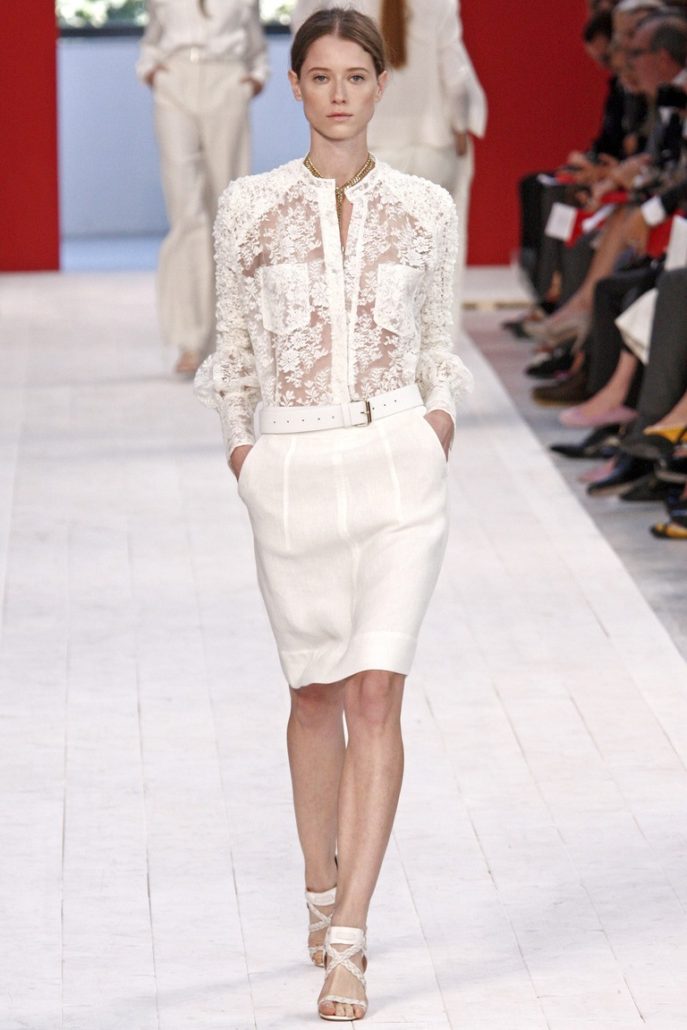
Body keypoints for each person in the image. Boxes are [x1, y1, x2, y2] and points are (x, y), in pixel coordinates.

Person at [194, 8, 472, 1019]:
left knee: (375, 696)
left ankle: (348, 937)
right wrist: (247, 452)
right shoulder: (250, 207)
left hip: (398, 462)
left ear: (381, 84)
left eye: (357, 75)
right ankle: (320, 882)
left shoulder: (427, 209)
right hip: (294, 468)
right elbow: (234, 348)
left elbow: (440, 338)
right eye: (321, 76)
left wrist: (435, 424)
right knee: (314, 697)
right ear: (296, 85)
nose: (340, 93)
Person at [292, 0, 487, 312]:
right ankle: (437, 336)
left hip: (365, 150)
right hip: (432, 145)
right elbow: (456, 79)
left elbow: (304, 39)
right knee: (438, 262)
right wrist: (460, 125)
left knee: (363, 266)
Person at [137, 0, 268, 376]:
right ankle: (190, 339)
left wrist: (255, 77)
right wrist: (151, 70)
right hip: (174, 81)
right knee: (187, 214)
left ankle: (231, 335)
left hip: (227, 79)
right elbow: (153, 35)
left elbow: (256, 43)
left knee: (229, 211)